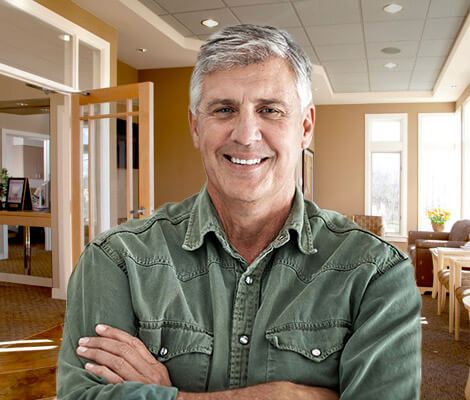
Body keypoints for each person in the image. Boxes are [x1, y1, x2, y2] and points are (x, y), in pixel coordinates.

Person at [57, 24, 421, 399]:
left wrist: (169, 395)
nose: (246, 135)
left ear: (305, 126)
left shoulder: (375, 273)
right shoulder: (117, 260)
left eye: (269, 110)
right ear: (196, 126)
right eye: (224, 109)